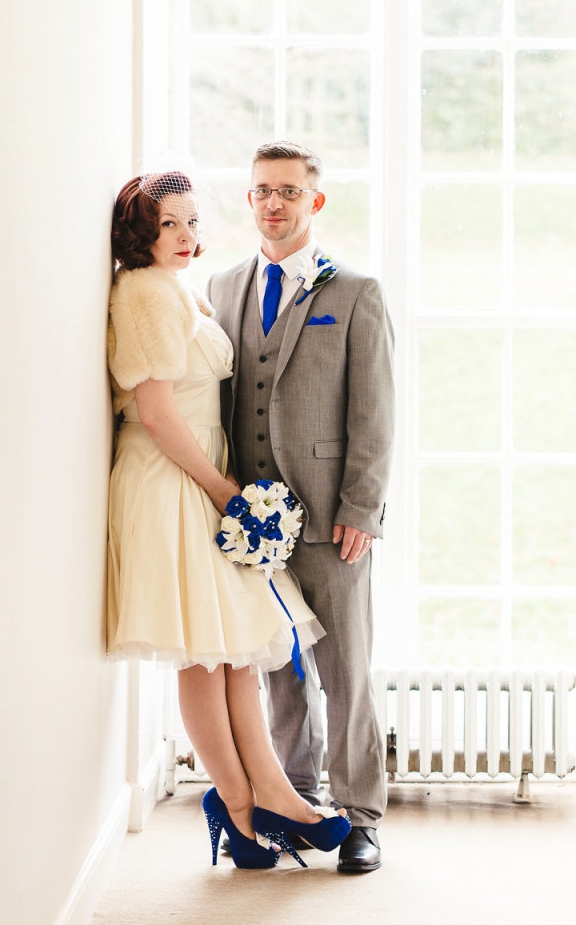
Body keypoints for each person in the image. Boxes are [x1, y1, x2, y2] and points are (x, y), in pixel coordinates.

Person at [106, 170, 351, 869]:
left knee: (235, 650)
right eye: (168, 226)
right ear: (140, 235)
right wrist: (222, 489)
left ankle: (269, 798)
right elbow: (153, 412)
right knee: (204, 652)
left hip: (200, 473)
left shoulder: (176, 285)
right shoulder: (146, 292)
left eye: (190, 222)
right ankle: (242, 806)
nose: (186, 236)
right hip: (173, 478)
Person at [206, 142, 395, 874]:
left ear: (314, 203)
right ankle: (298, 802)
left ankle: (361, 816)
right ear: (249, 201)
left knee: (345, 672)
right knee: (276, 669)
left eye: (287, 191)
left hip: (330, 518)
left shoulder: (354, 291)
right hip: (248, 523)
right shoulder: (222, 287)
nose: (272, 203)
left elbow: (373, 414)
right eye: (260, 191)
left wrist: (363, 507)